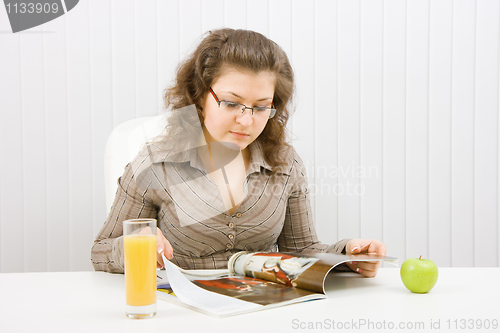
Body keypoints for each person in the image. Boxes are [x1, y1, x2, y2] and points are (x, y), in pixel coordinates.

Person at [91, 28, 386, 278]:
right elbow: (101, 250)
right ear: (199, 95)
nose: (247, 121)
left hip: (262, 312)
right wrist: (133, 244)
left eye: (261, 107)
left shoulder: (285, 163)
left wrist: (348, 254)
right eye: (231, 103)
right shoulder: (156, 163)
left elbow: (301, 250)